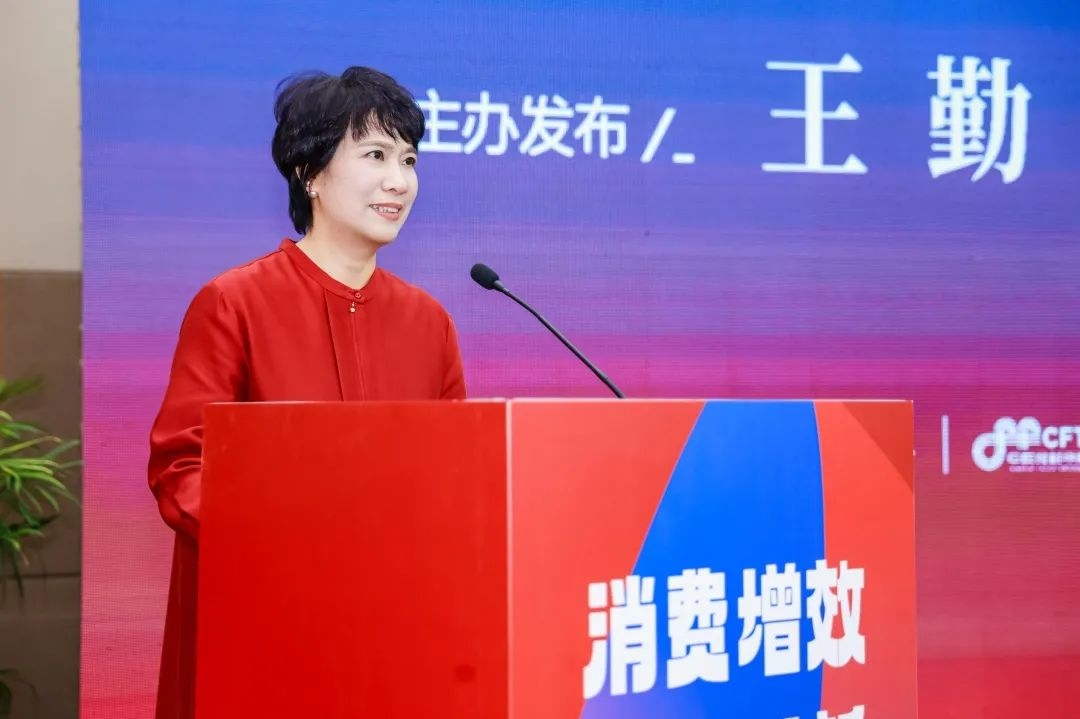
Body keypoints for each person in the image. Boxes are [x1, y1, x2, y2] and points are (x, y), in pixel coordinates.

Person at [147, 66, 466, 719]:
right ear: (309, 173)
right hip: (262, 630)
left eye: (409, 160)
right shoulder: (234, 303)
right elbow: (182, 469)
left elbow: (458, 476)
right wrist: (298, 543)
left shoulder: (429, 322)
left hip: (390, 636)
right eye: (375, 156)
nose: (399, 180)